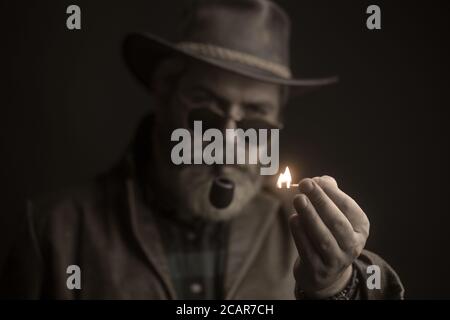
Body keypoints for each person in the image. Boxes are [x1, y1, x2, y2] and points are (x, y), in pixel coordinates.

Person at [0, 0, 404, 299]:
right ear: (164, 92)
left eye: (255, 116)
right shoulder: (54, 233)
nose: (228, 139)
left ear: (277, 121)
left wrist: (339, 285)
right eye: (207, 107)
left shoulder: (301, 232)